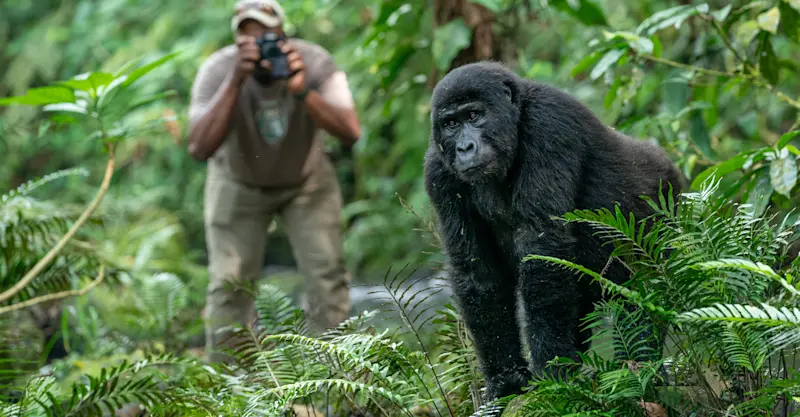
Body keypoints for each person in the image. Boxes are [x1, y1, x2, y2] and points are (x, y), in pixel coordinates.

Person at [186, 0, 360, 362]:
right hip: (238, 181)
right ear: (237, 42)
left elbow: (350, 130)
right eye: (248, 39)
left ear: (284, 34)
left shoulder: (315, 63)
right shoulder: (219, 70)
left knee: (327, 279)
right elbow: (198, 147)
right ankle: (229, 393)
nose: (260, 46)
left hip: (306, 180)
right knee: (229, 286)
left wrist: (302, 90)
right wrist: (236, 79)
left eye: (267, 35)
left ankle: (337, 383)